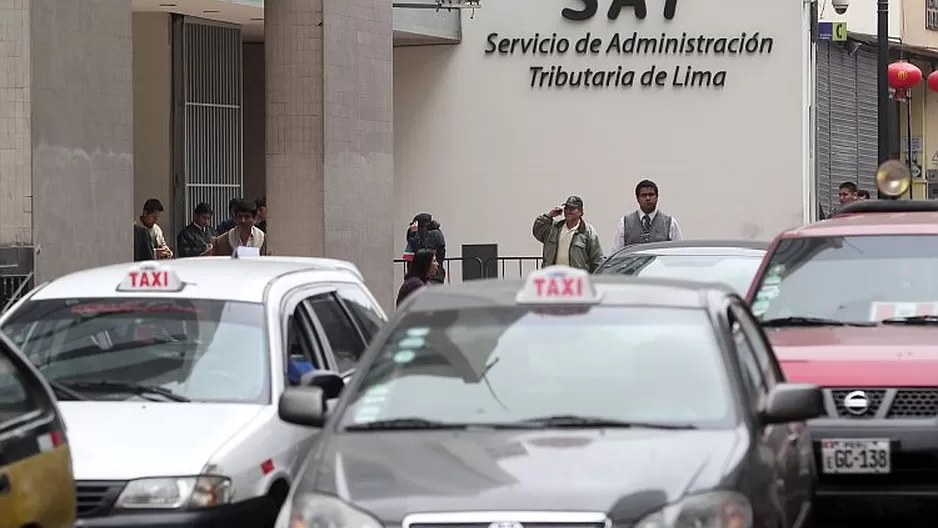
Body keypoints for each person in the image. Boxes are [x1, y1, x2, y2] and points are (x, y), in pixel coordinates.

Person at [532, 195, 604, 272]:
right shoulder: (554, 228)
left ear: (580, 212)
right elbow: (537, 230)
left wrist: (596, 279)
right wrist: (549, 215)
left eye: (572, 208)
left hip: (576, 279)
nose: (568, 211)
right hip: (553, 276)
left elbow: (597, 259)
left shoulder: (588, 231)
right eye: (566, 208)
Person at [610, 180, 683, 253]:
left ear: (657, 197)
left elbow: (678, 252)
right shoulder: (625, 223)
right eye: (644, 195)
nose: (648, 198)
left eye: (651, 195)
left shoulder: (670, 223)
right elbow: (616, 253)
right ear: (637, 199)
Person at [405, 213, 446, 284]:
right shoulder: (437, 233)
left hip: (427, 276)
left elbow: (418, 251)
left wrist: (414, 234)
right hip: (435, 274)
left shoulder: (432, 235)